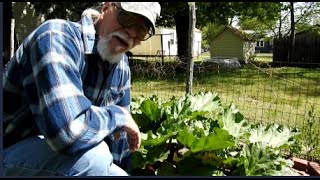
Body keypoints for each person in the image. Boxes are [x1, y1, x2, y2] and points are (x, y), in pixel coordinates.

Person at [3, 2, 161, 176]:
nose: (132, 33)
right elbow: (68, 133)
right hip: (9, 152)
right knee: (94, 158)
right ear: (106, 8)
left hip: (61, 159)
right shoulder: (56, 37)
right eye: (127, 18)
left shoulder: (121, 66)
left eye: (142, 30)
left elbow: (119, 147)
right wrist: (118, 116)